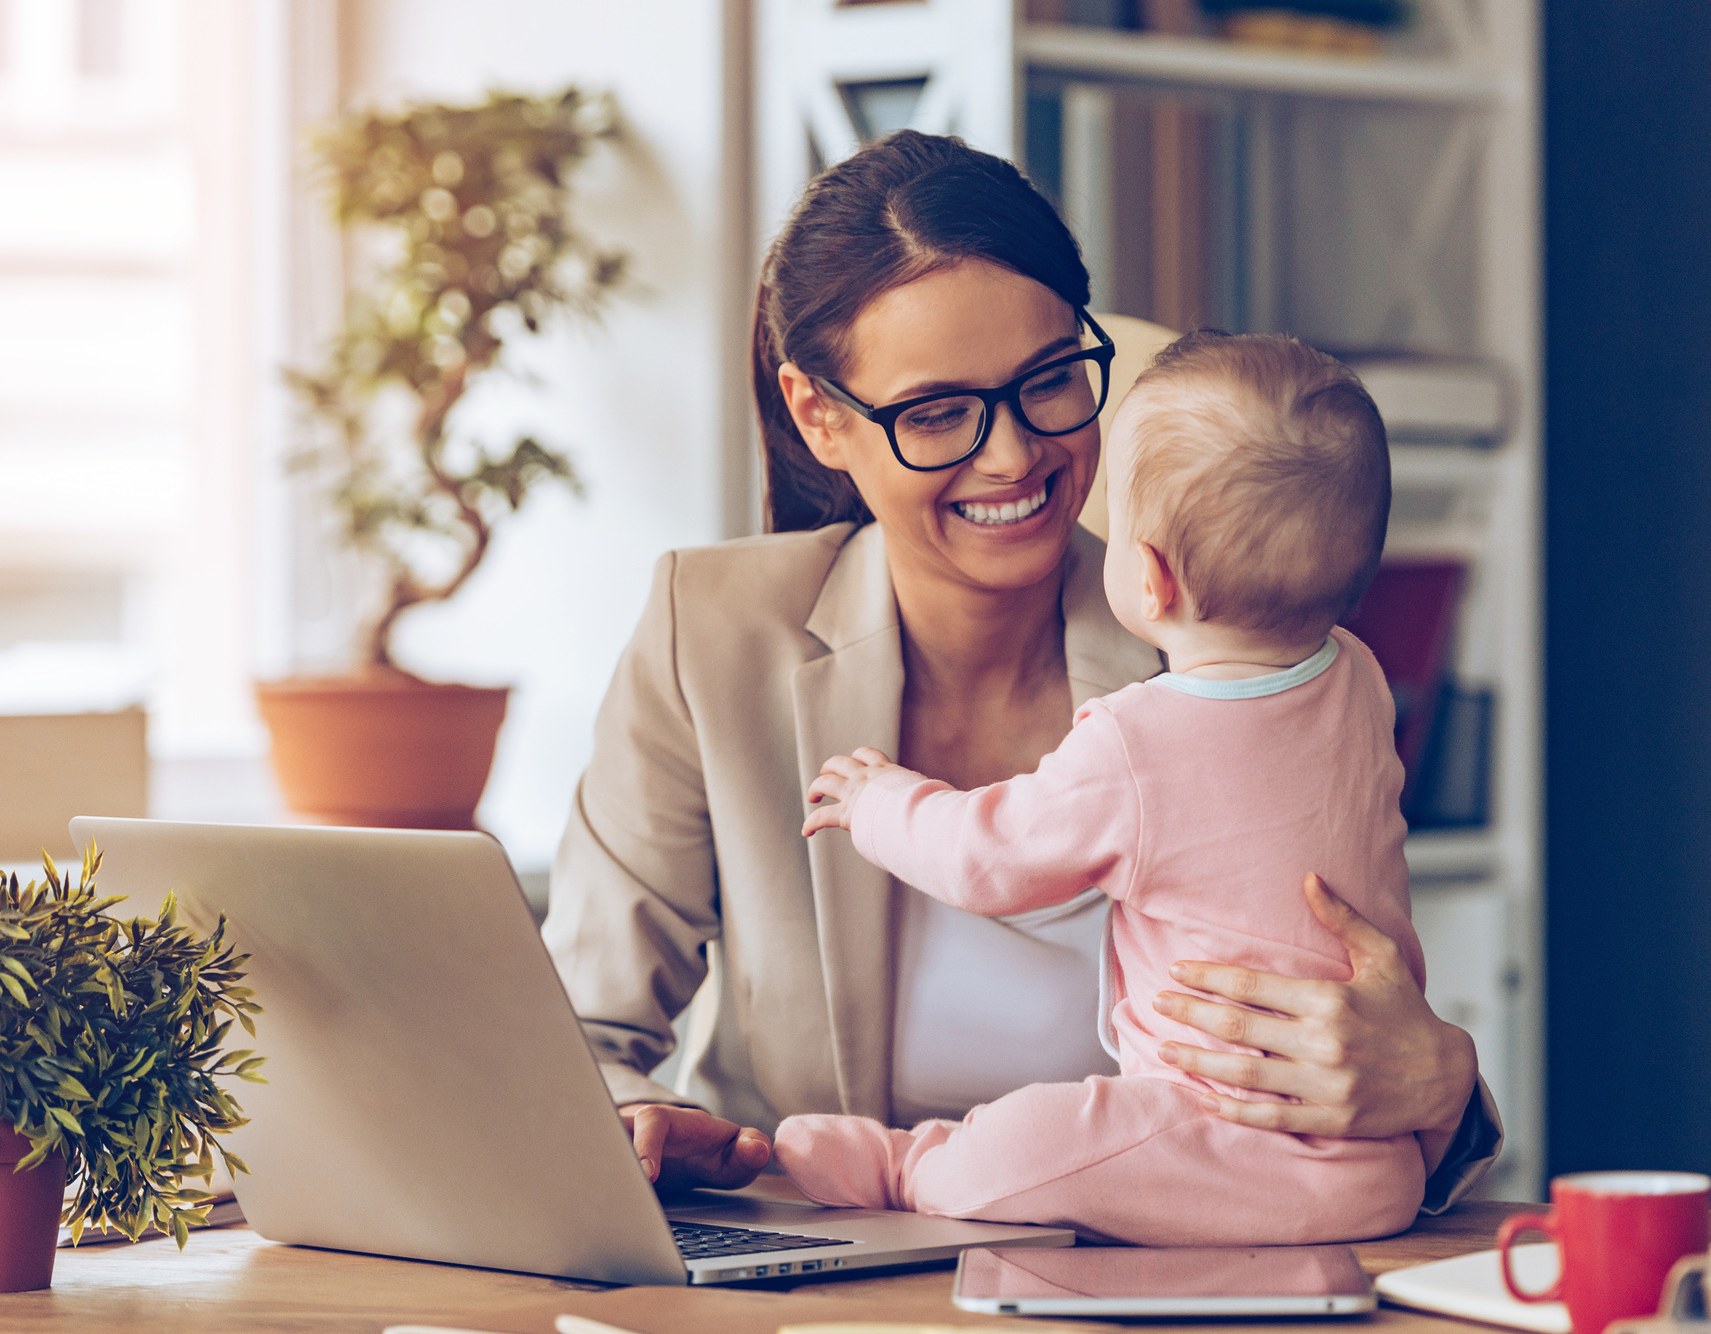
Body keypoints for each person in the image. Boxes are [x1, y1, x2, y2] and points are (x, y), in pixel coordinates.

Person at [541, 129, 1500, 1207]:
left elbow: (1353, 987)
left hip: (1145, 1272)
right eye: (937, 412)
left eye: (1048, 381)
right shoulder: (708, 632)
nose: (1012, 455)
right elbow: (575, 1032)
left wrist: (1438, 1080)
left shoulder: (1227, 636)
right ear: (820, 416)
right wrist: (638, 1123)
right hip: (818, 1267)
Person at [774, 332, 1426, 1244]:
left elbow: (987, 859)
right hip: (1377, 1164)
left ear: (1149, 577)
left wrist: (876, 800)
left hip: (1215, 1129)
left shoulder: (1138, 740)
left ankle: (908, 1164)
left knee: (1038, 1136)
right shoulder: (1358, 681)